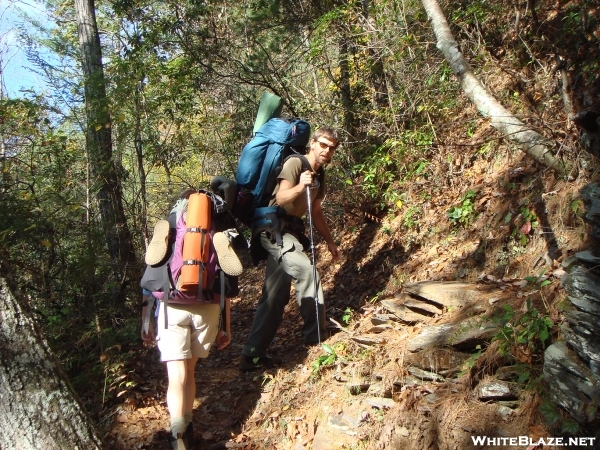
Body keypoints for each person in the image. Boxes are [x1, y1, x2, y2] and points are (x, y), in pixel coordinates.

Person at [141, 189, 239, 450]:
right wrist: (225, 327)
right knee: (190, 371)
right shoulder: (216, 229)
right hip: (207, 307)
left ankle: (177, 432)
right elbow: (226, 287)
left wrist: (145, 321)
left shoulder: (172, 229)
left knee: (177, 374)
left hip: (171, 304)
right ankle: (188, 424)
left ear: (180, 207)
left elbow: (150, 278)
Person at [239, 126, 341, 371]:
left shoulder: (321, 175)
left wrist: (329, 240)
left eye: (332, 148)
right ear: (313, 144)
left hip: (290, 232)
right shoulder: (295, 163)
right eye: (323, 145)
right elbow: (283, 198)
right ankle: (316, 337)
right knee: (307, 271)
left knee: (275, 294)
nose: (327, 151)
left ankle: (252, 353)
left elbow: (315, 212)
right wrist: (300, 186)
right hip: (272, 229)